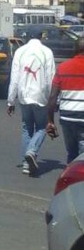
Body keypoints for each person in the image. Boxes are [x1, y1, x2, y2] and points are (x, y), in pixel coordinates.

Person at [6, 32, 56, 176]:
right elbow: (50, 77)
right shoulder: (47, 52)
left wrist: (11, 101)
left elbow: (14, 78)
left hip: (23, 96)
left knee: (26, 128)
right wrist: (52, 99)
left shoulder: (20, 52)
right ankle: (32, 151)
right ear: (41, 37)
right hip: (40, 96)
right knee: (41, 127)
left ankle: (26, 165)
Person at [46, 36, 84, 164]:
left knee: (72, 153)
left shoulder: (62, 68)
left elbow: (52, 97)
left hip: (67, 118)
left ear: (75, 49)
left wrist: (50, 121)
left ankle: (71, 179)